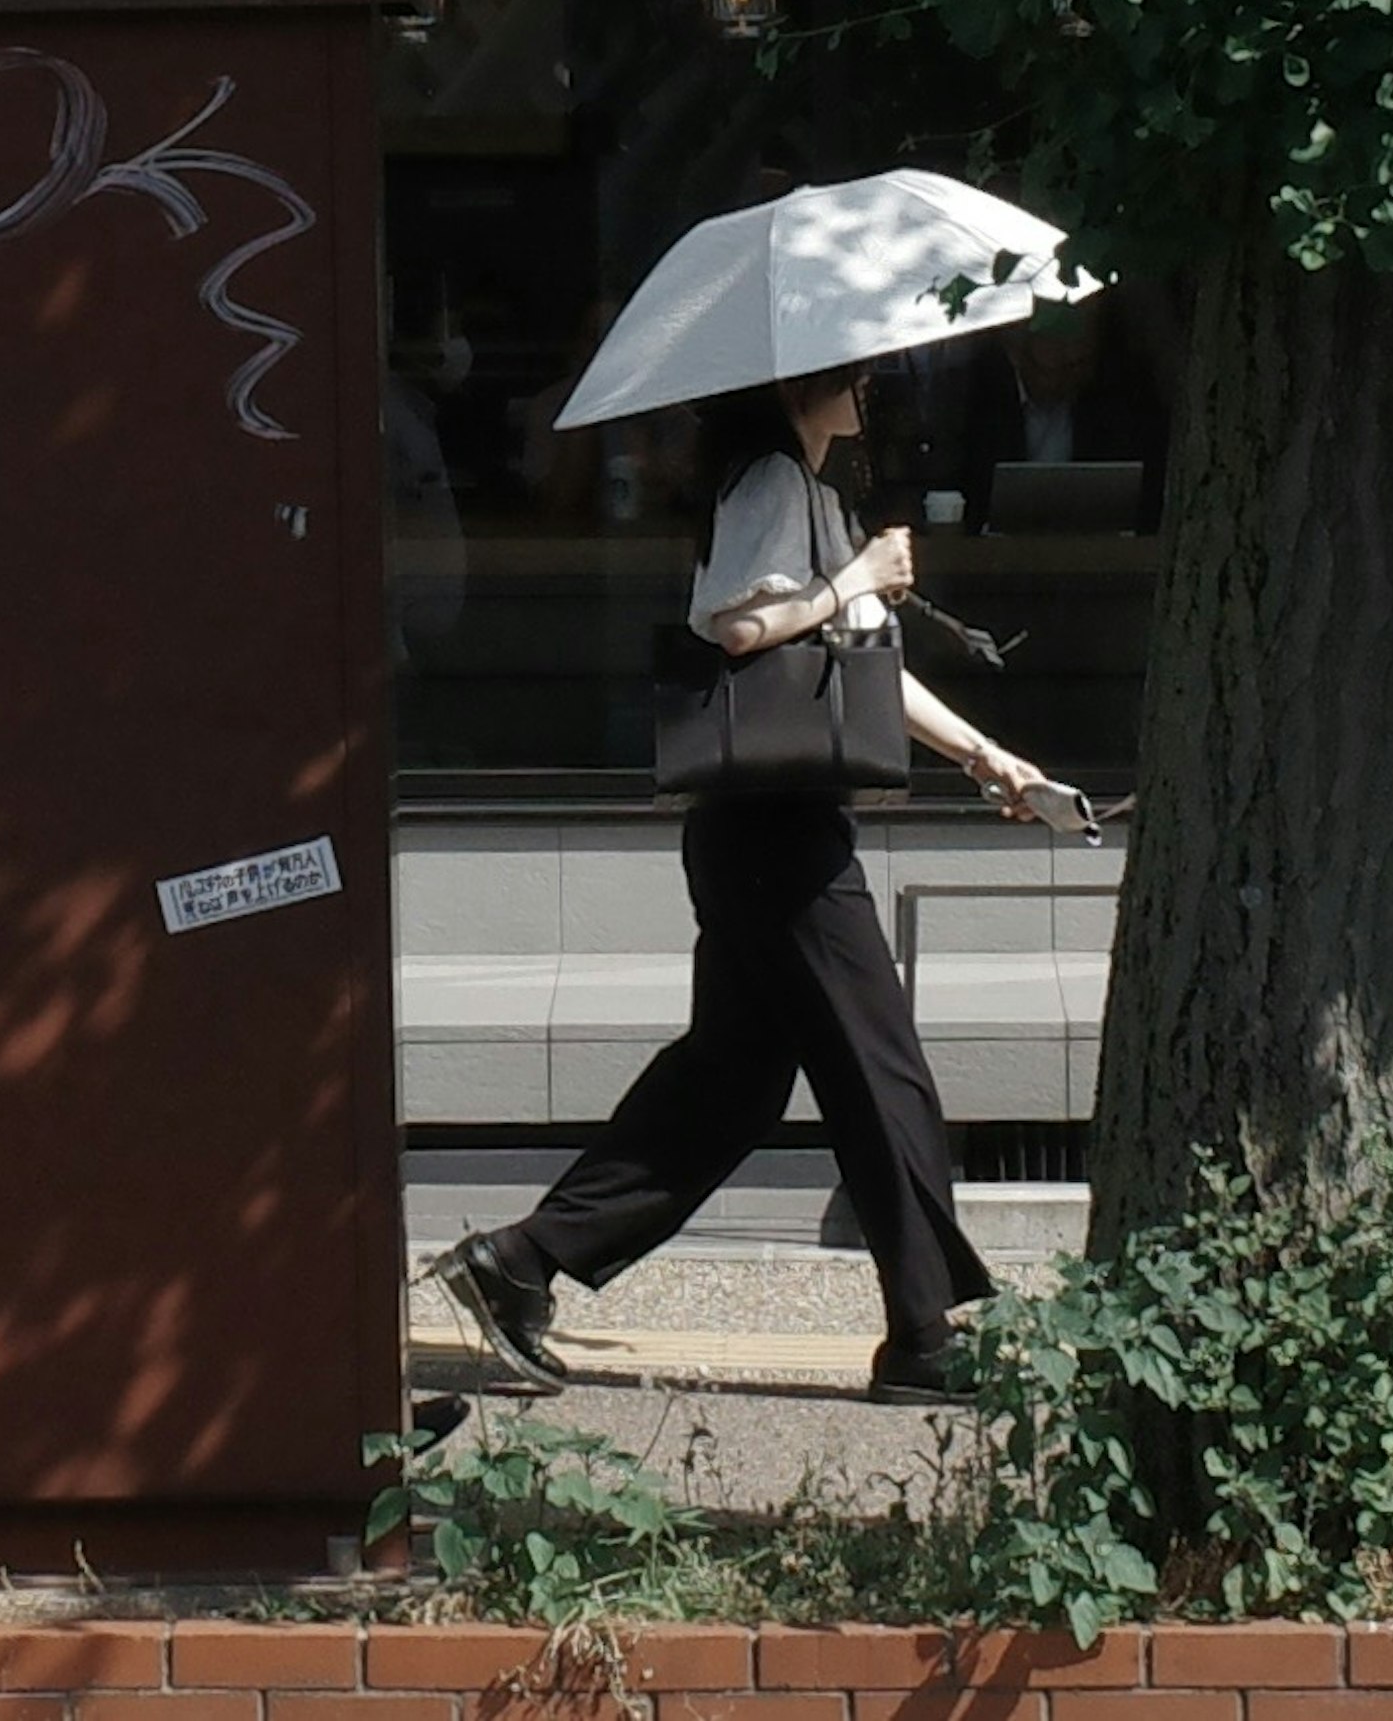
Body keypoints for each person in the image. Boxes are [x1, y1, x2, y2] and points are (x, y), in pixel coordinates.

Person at [431, 354, 1054, 1401]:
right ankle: (925, 1334)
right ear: (798, 386)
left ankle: (518, 1263)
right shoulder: (770, 481)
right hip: (779, 840)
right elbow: (737, 627)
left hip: (760, 834)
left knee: (728, 1086)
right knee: (879, 1067)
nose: (870, 391)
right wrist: (855, 578)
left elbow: (858, 669)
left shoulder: (805, 492)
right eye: (853, 376)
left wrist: (988, 757)